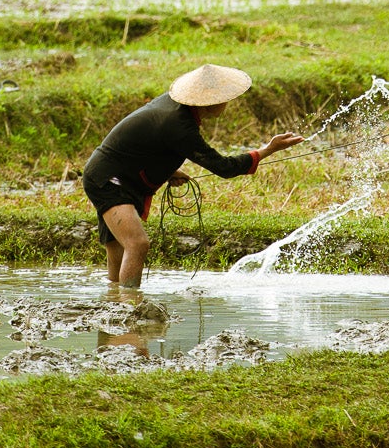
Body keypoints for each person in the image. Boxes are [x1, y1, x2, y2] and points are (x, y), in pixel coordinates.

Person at [83, 62, 302, 288]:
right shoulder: (179, 125)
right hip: (109, 179)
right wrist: (267, 150)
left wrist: (168, 171)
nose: (228, 102)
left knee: (118, 248)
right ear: (211, 101)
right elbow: (223, 167)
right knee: (137, 244)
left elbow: (146, 144)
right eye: (224, 97)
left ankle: (114, 304)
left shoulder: (173, 107)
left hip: (108, 171)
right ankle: (130, 307)